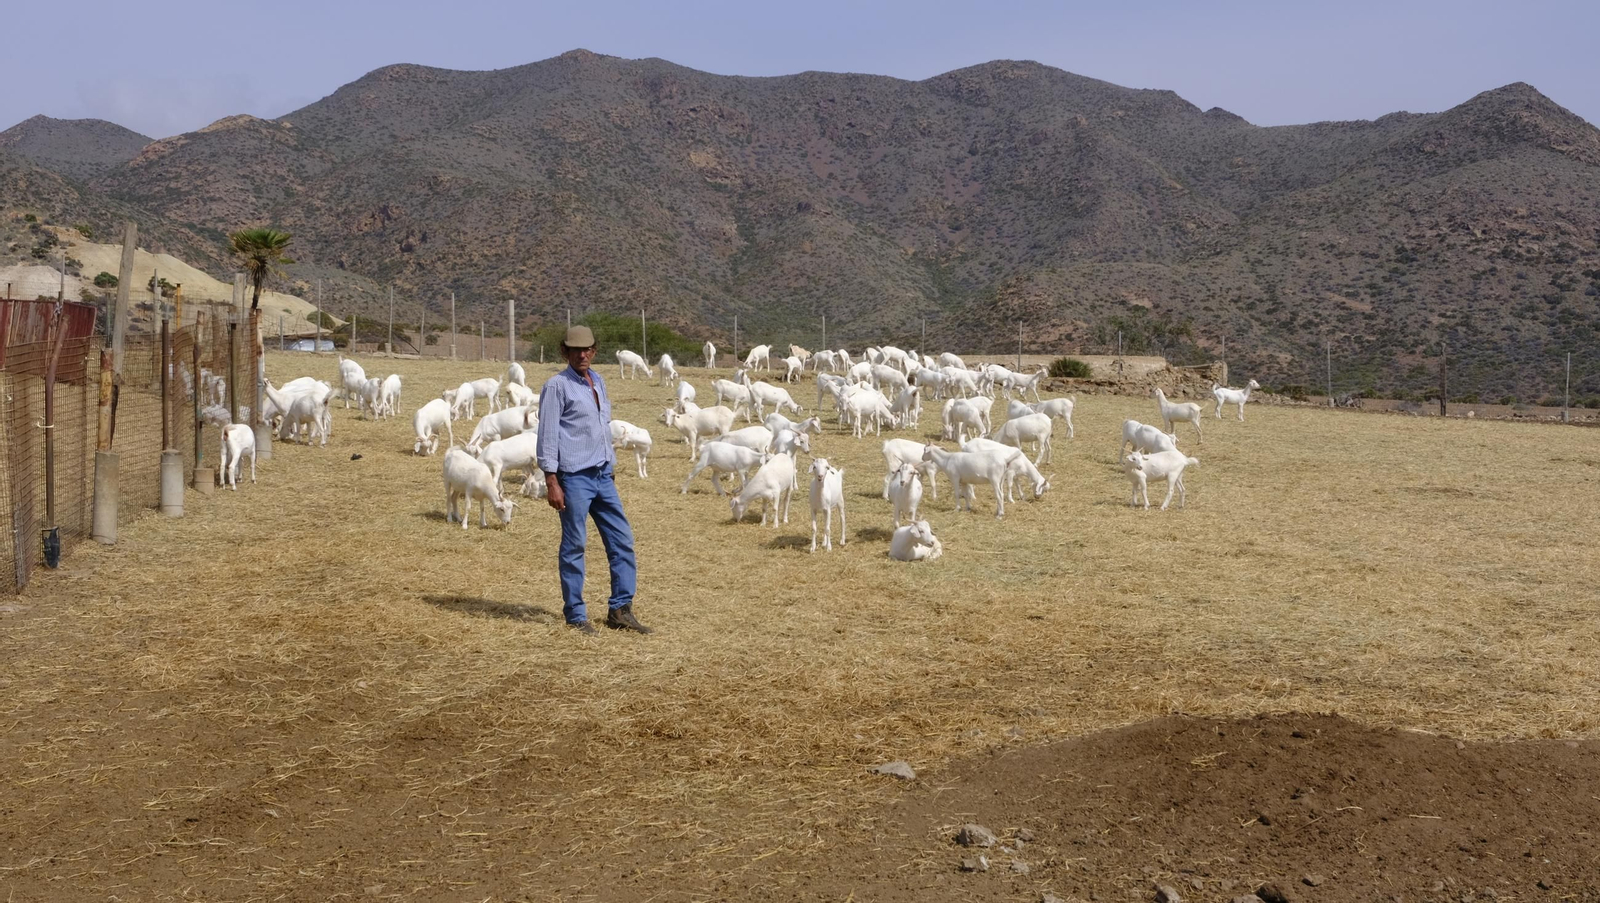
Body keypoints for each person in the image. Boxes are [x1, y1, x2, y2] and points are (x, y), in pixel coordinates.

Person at [536, 326, 652, 635]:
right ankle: (576, 614)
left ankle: (620, 610)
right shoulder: (556, 386)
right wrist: (552, 480)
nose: (582, 355)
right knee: (575, 544)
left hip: (602, 474)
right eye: (575, 350)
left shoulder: (598, 381)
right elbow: (547, 434)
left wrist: (610, 465)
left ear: (594, 350)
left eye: (587, 349)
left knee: (622, 540)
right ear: (565, 352)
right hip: (573, 476)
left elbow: (603, 426)